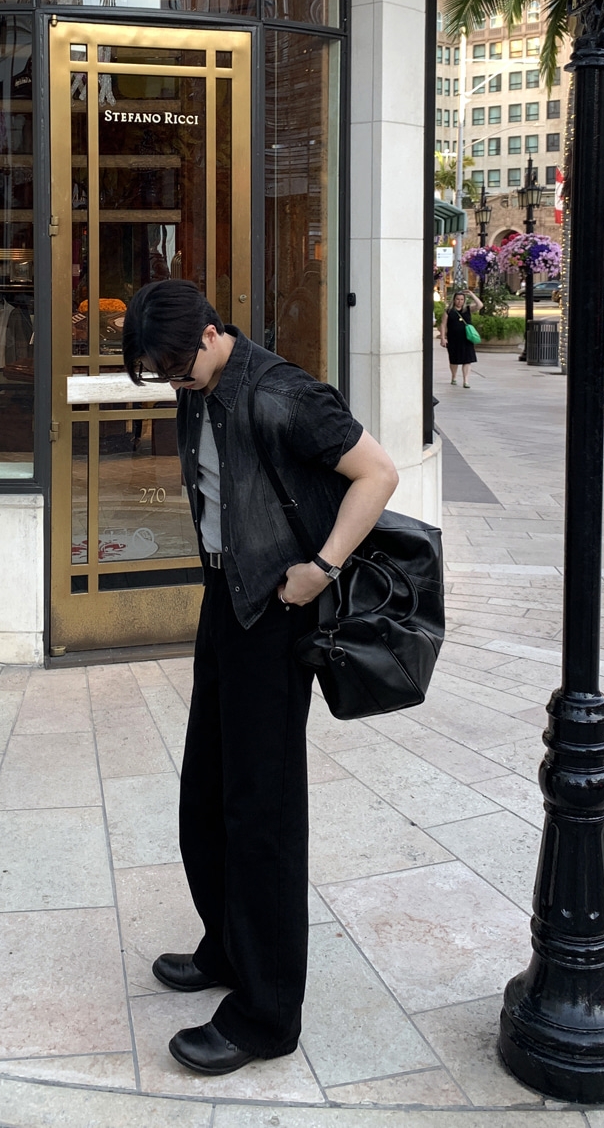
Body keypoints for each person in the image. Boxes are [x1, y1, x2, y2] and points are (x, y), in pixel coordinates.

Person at [122, 280, 399, 1076]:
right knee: (207, 796)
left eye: (178, 368)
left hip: (279, 610)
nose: (174, 383)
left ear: (212, 335)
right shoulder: (199, 388)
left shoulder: (284, 395)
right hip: (227, 600)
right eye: (162, 375)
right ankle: (229, 946)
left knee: (263, 813)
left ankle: (267, 1014)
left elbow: (379, 473)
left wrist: (321, 568)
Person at [440, 288, 482, 387]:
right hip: (453, 339)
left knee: (467, 360)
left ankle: (466, 381)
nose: (460, 301)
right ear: (454, 300)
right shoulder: (448, 311)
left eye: (462, 299)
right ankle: (454, 377)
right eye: (458, 299)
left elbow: (480, 305)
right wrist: (443, 338)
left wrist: (471, 294)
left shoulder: (467, 309)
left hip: (467, 338)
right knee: (454, 359)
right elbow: (443, 324)